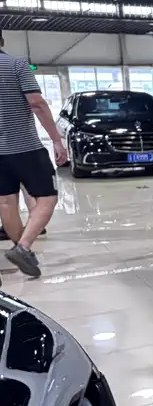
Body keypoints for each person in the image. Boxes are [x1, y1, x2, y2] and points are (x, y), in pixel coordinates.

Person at [0, 33, 67, 277]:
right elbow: (37, 103)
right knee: (48, 198)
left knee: (6, 202)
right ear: (1, 41)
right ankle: (23, 247)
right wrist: (57, 140)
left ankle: (22, 252)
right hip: (25, 147)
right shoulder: (17, 65)